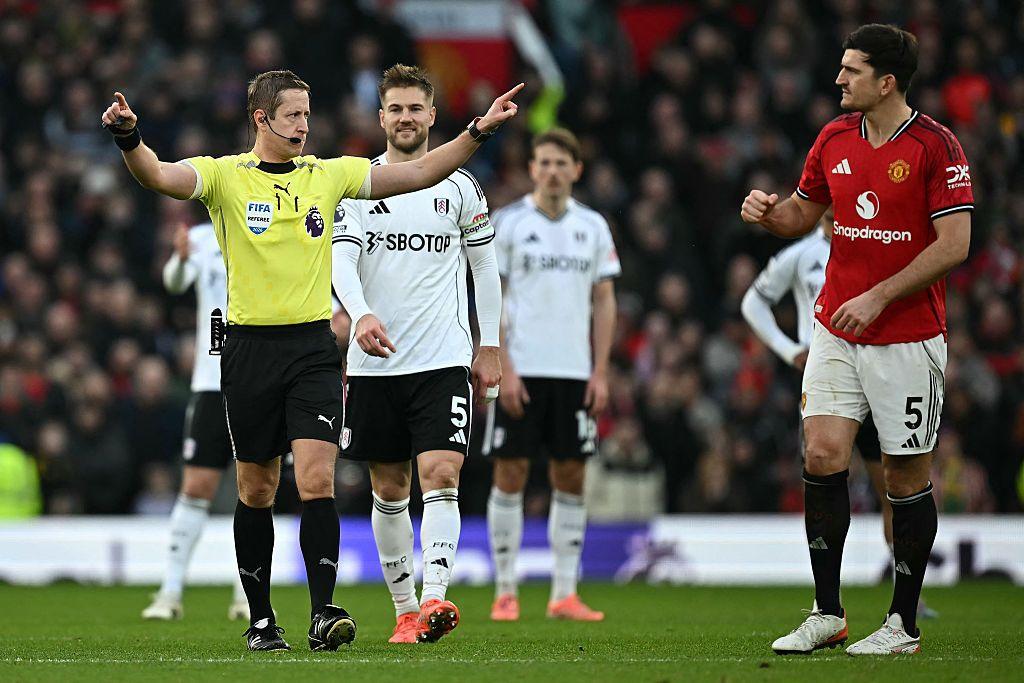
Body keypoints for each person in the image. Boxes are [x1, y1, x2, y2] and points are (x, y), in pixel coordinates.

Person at [101, 69, 522, 652]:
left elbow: (423, 170)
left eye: (307, 113)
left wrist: (477, 131)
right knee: (256, 487)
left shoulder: (330, 175)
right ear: (262, 119)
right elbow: (159, 175)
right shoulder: (223, 175)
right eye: (294, 115)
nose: (305, 124)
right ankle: (261, 619)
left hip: (312, 350)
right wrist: (129, 138)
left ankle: (324, 613)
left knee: (319, 480)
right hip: (247, 350)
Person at [740, 24, 972, 656]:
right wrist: (769, 214)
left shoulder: (936, 146)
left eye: (851, 70)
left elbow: (955, 245)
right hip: (835, 329)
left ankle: (902, 624)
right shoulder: (834, 137)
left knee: (903, 476)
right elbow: (801, 213)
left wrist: (879, 295)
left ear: (886, 81)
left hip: (908, 336)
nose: (838, 79)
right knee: (821, 453)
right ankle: (827, 612)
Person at [331, 64, 502, 644]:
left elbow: (485, 268)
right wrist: (360, 315)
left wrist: (492, 343)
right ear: (381, 118)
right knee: (389, 488)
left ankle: (434, 601)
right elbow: (342, 262)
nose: (406, 118)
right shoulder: (357, 184)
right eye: (395, 109)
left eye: (416, 108)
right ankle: (403, 611)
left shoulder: (460, 187)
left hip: (443, 359)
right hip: (374, 362)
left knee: (442, 472)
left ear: (433, 115)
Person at [741, 211, 938, 620]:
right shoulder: (801, 255)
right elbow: (753, 301)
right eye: (827, 213)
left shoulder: (879, 246)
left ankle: (904, 591)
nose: (833, 220)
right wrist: (789, 348)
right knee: (824, 469)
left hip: (883, 372)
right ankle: (826, 600)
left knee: (892, 486)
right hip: (831, 378)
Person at [483, 128, 619, 622]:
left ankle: (564, 593)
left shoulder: (593, 227)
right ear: (532, 169)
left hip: (573, 372)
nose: (552, 171)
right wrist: (504, 365)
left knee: (571, 476)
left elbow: (603, 301)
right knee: (511, 472)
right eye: (543, 162)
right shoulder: (510, 222)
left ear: (576, 170)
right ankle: (505, 591)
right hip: (522, 369)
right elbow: (490, 297)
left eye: (562, 163)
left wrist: (600, 372)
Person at [142, 223, 247, 622]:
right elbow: (174, 281)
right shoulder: (204, 237)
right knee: (196, 487)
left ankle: (247, 595)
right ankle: (170, 593)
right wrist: (181, 256)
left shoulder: (274, 226)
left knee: (256, 487)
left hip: (259, 381)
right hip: (210, 383)